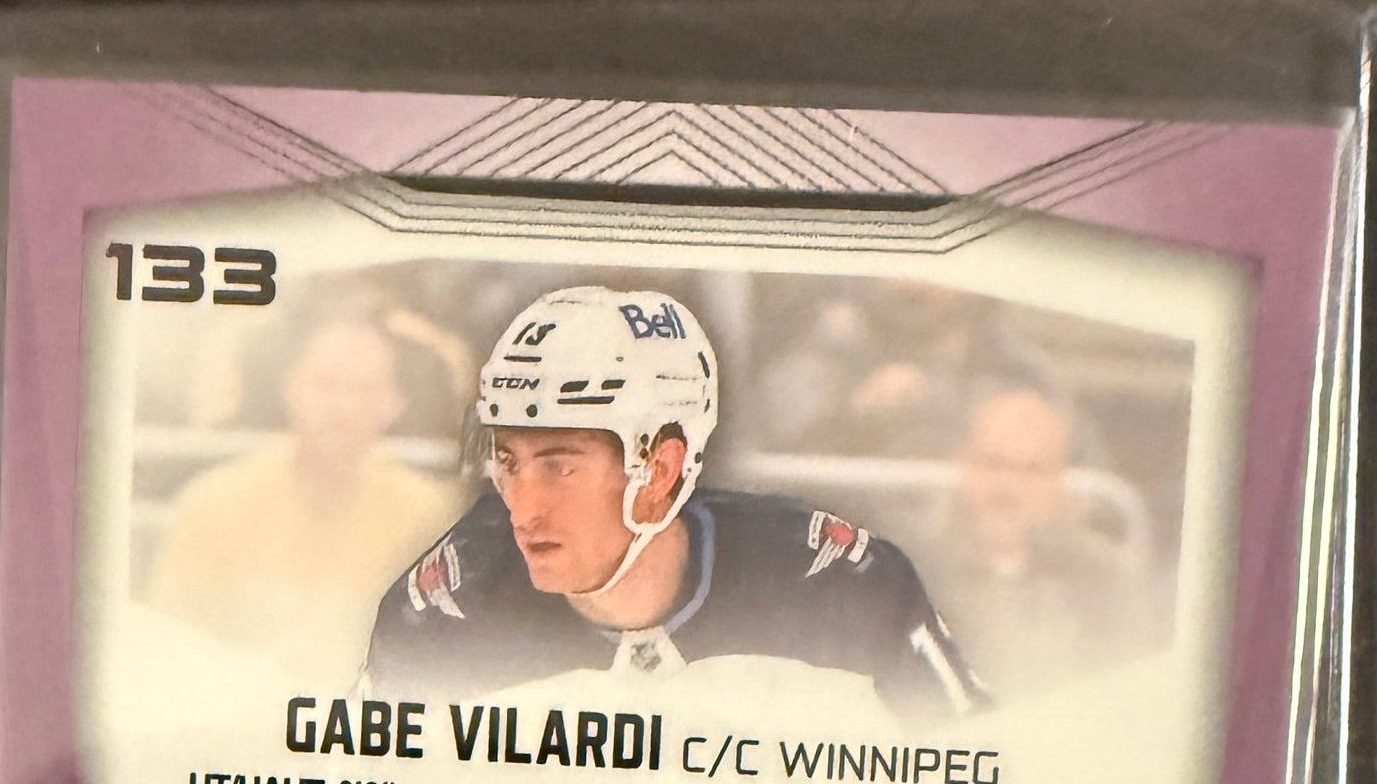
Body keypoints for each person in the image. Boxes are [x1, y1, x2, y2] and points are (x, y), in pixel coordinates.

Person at [364, 286, 983, 716]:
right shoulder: (444, 607)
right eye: (508, 462)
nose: (522, 511)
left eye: (559, 466)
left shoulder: (844, 587)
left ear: (661, 469)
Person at [147, 308, 462, 684]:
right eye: (326, 385)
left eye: (361, 389)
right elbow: (170, 646)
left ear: (393, 403)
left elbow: (449, 657)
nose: (341, 407)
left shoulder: (426, 515)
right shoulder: (213, 504)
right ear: (290, 388)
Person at [932, 382, 1154, 702]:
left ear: (1058, 483)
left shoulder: (1106, 580)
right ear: (965, 465)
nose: (1008, 487)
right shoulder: (915, 570)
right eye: (994, 464)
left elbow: (1131, 692)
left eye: (1031, 471)